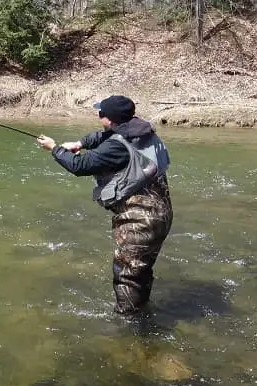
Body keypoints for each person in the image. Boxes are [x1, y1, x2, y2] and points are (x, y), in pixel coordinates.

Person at [35, 95, 173, 315]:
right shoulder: (141, 130)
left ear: (110, 119)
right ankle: (142, 311)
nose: (98, 115)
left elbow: (80, 165)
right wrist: (79, 143)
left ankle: (130, 326)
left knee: (127, 275)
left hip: (140, 220)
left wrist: (54, 148)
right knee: (140, 269)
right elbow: (103, 137)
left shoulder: (115, 148)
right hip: (160, 212)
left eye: (101, 113)